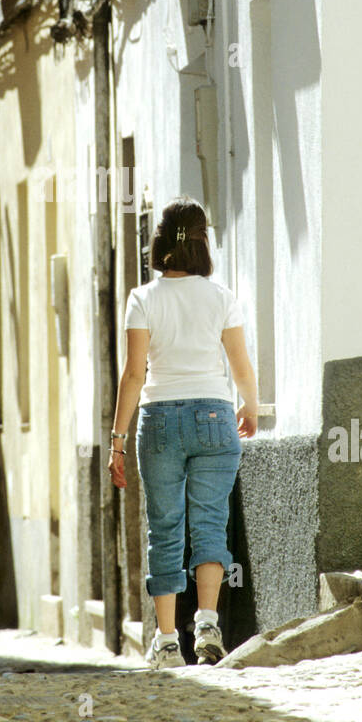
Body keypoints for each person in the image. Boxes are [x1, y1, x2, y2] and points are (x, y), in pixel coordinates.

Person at [108, 197, 258, 669]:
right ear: (202, 243)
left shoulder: (143, 299)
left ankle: (168, 641)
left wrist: (118, 439)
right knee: (211, 523)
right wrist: (249, 406)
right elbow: (239, 365)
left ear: (159, 242)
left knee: (166, 528)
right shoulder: (221, 297)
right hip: (215, 416)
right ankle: (209, 621)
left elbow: (133, 375)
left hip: (160, 422)